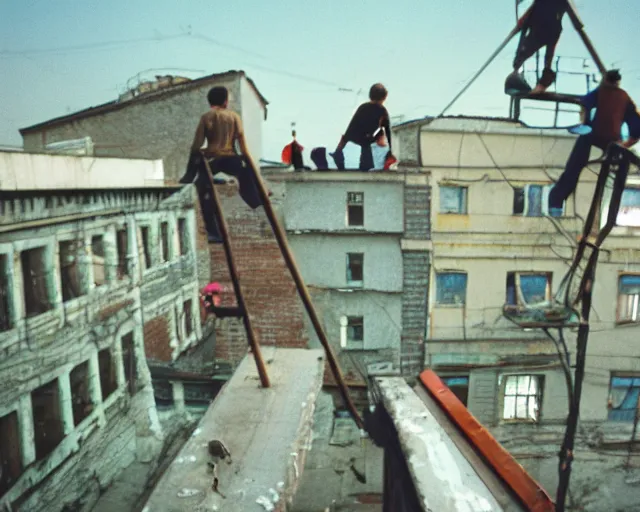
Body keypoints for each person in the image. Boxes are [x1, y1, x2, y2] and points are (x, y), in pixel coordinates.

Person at [548, 69, 640, 216]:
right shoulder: (624, 97)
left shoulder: (601, 91)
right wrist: (625, 144)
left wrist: (585, 123)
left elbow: (585, 106)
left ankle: (556, 200)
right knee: (618, 171)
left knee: (574, 168)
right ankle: (612, 212)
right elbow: (636, 128)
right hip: (612, 140)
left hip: (593, 135)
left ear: (606, 80)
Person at [179, 86, 263, 243]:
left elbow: (196, 146)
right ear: (225, 101)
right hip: (231, 159)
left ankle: (213, 232)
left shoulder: (206, 117)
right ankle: (255, 199)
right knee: (245, 174)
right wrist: (249, 165)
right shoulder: (234, 117)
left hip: (213, 160)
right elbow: (243, 146)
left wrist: (191, 171)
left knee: (203, 189)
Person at [505, 0, 568, 95]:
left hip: (549, 27)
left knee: (546, 59)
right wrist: (519, 25)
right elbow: (530, 12)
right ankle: (520, 73)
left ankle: (543, 81)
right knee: (522, 55)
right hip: (541, 26)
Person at [333, 83, 395, 171]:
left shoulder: (363, 107)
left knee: (367, 147)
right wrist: (392, 150)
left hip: (355, 136)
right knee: (368, 148)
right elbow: (388, 132)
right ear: (384, 97)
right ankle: (366, 166)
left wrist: (340, 147)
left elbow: (351, 126)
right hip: (367, 139)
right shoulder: (382, 111)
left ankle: (339, 156)